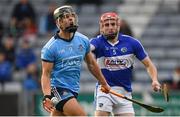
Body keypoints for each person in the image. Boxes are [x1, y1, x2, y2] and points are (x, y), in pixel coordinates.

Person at [40, 5, 110, 116]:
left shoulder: (83, 40)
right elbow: (46, 74)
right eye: (67, 17)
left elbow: (91, 64)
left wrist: (104, 83)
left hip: (72, 90)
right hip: (57, 89)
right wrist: (47, 96)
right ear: (59, 22)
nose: (71, 19)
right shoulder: (50, 47)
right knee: (81, 115)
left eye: (72, 16)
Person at [90, 12, 161, 116]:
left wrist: (155, 80)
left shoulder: (132, 43)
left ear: (118, 26)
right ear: (101, 28)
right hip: (104, 90)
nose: (110, 27)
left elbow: (149, 65)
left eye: (113, 24)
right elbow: (87, 49)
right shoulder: (97, 42)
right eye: (106, 25)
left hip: (124, 93)